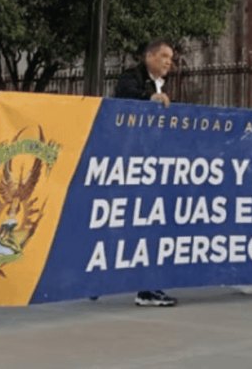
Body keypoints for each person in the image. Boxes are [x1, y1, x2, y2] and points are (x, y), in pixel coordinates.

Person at [114, 37, 177, 307]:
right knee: (141, 227)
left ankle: (150, 285)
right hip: (135, 164)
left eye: (171, 59)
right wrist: (149, 98)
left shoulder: (163, 85)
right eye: (164, 56)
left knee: (152, 227)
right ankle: (145, 289)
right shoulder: (132, 78)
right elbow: (124, 98)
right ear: (149, 56)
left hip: (156, 164)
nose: (169, 63)